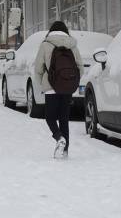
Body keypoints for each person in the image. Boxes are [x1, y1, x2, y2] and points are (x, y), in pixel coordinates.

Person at [34, 21, 83, 159]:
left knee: (50, 117)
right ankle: (65, 151)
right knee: (64, 119)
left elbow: (38, 68)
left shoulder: (45, 44)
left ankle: (59, 137)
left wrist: (42, 84)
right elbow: (80, 66)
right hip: (67, 87)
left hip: (50, 86)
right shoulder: (72, 44)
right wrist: (72, 81)